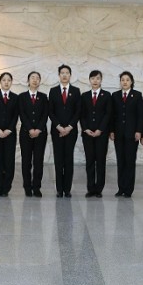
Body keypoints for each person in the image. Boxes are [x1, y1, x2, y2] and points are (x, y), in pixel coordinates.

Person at [48, 64, 81, 198]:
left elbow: (78, 111)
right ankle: (59, 189)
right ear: (59, 75)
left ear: (70, 75)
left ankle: (67, 189)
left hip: (71, 131)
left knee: (68, 159)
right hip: (57, 131)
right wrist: (59, 127)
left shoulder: (76, 91)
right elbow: (50, 111)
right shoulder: (53, 91)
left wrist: (69, 127)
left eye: (67, 73)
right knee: (58, 160)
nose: (65, 75)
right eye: (62, 73)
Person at [110, 71, 143, 198]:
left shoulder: (137, 95)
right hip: (118, 134)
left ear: (131, 82)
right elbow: (112, 115)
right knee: (121, 161)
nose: (125, 82)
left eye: (127, 80)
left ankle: (129, 189)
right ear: (120, 82)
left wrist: (139, 131)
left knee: (130, 161)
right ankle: (121, 188)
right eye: (122, 80)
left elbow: (140, 115)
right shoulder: (115, 95)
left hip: (132, 134)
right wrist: (111, 130)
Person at [80, 70, 112, 198]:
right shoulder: (84, 96)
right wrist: (85, 128)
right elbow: (81, 114)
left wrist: (100, 129)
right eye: (93, 78)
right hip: (87, 134)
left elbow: (108, 114)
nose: (95, 81)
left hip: (101, 134)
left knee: (100, 161)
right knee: (89, 161)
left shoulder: (107, 95)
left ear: (101, 80)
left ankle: (99, 189)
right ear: (89, 80)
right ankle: (90, 188)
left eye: (98, 78)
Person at [0, 72, 19, 197]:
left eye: (9, 80)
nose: (6, 82)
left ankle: (6, 188)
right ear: (0, 82)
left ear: (11, 82)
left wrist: (9, 130)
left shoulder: (15, 97)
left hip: (10, 134)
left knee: (9, 161)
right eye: (4, 80)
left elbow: (16, 115)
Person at [18, 71, 49, 197]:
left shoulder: (44, 97)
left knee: (38, 161)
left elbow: (45, 114)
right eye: (32, 78)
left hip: (41, 134)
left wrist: (38, 129)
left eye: (37, 78)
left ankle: (36, 187)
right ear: (28, 80)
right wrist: (30, 129)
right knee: (26, 161)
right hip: (26, 133)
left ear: (40, 81)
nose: (35, 80)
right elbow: (22, 114)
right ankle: (27, 187)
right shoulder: (22, 97)